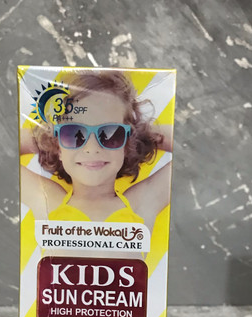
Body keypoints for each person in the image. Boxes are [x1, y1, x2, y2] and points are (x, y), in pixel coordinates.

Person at [20, 71, 172, 237]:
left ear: (127, 143)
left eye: (111, 133)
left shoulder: (142, 203)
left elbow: (185, 144)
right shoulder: (47, 200)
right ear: (57, 146)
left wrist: (140, 133)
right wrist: (47, 136)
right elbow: (7, 149)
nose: (92, 148)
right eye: (73, 133)